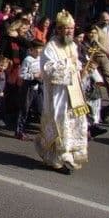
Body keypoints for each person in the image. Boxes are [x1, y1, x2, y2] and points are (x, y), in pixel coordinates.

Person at [35, 10, 89, 173]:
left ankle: (69, 155)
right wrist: (68, 64)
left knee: (76, 122)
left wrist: (82, 69)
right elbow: (48, 70)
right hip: (58, 94)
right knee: (60, 124)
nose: (69, 32)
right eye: (66, 29)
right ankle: (58, 158)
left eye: (71, 29)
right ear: (58, 29)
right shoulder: (50, 47)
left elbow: (76, 66)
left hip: (74, 94)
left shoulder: (73, 45)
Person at [15, 40, 43, 140]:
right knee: (24, 109)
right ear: (31, 50)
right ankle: (19, 131)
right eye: (37, 50)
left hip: (38, 86)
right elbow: (22, 74)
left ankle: (44, 132)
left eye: (41, 49)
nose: (39, 52)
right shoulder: (28, 59)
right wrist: (33, 76)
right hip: (28, 87)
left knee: (40, 109)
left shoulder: (41, 59)